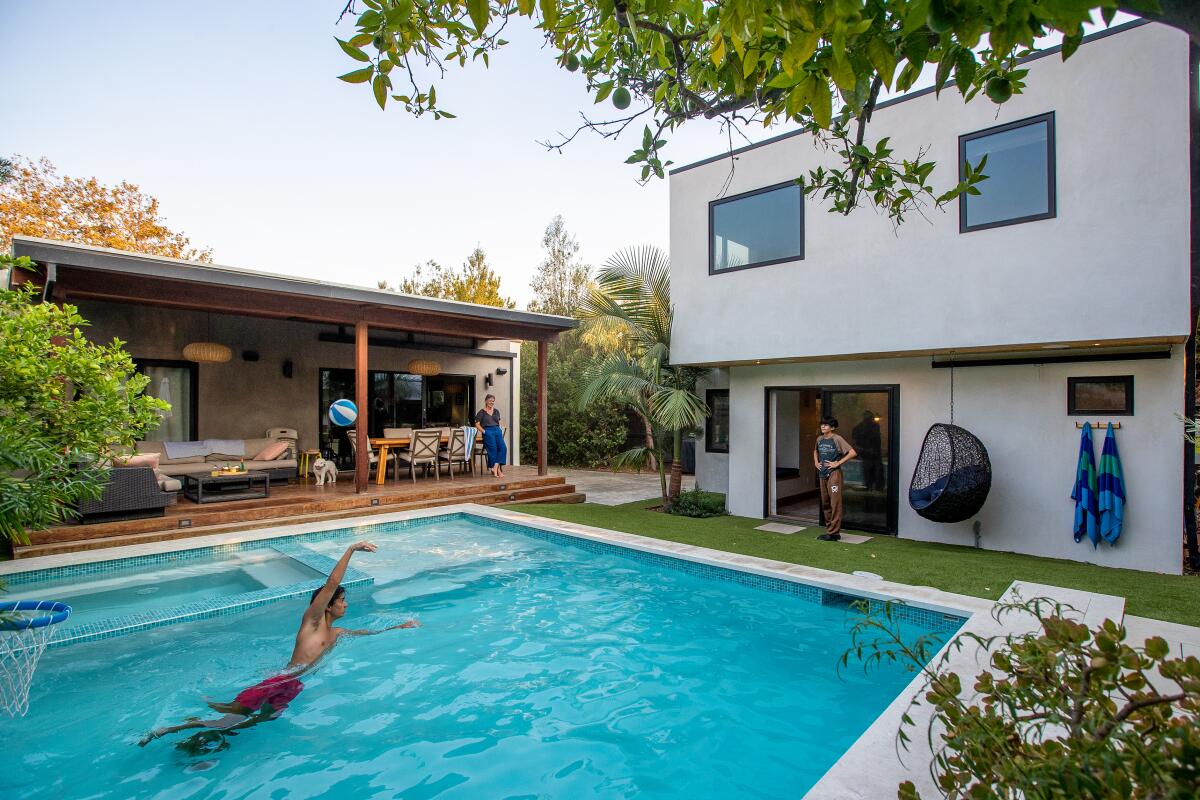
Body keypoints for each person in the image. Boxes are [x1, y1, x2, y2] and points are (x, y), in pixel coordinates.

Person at [139, 541, 418, 751]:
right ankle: (169, 728)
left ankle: (205, 731)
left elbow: (367, 633)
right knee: (231, 717)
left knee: (262, 720)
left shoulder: (337, 632)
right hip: (279, 679)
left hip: (295, 685)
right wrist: (351, 549)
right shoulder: (312, 621)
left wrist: (399, 627)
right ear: (328, 604)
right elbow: (332, 583)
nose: (346, 604)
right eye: (342, 600)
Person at [814, 417, 857, 542]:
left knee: (835, 504)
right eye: (822, 425)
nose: (823, 427)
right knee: (825, 503)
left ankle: (833, 533)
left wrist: (837, 463)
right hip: (822, 474)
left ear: (832, 427)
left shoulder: (837, 439)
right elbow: (815, 451)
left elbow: (852, 452)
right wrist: (816, 462)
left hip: (834, 475)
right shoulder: (819, 439)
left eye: (826, 425)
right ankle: (831, 531)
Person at [851, 410, 885, 491]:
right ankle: (871, 486)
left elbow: (876, 439)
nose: (870, 420)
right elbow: (855, 439)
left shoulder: (875, 426)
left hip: (874, 453)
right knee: (870, 470)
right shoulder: (860, 427)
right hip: (867, 453)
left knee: (876, 471)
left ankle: (876, 487)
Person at [475, 393, 507, 478]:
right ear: (486, 401)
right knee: (493, 450)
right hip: (488, 431)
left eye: (493, 401)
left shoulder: (496, 411)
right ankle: (498, 471)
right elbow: (477, 424)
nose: (491, 402)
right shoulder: (481, 412)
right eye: (490, 401)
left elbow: (498, 422)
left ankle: (495, 467)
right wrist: (484, 432)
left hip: (497, 430)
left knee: (503, 448)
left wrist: (499, 429)